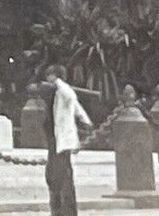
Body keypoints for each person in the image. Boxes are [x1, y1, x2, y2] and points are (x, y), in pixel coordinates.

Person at [41, 63, 92, 216]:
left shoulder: (61, 91)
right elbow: (77, 108)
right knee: (58, 176)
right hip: (59, 139)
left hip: (61, 140)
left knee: (60, 177)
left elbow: (72, 103)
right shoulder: (61, 92)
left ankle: (63, 210)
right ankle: (61, 209)